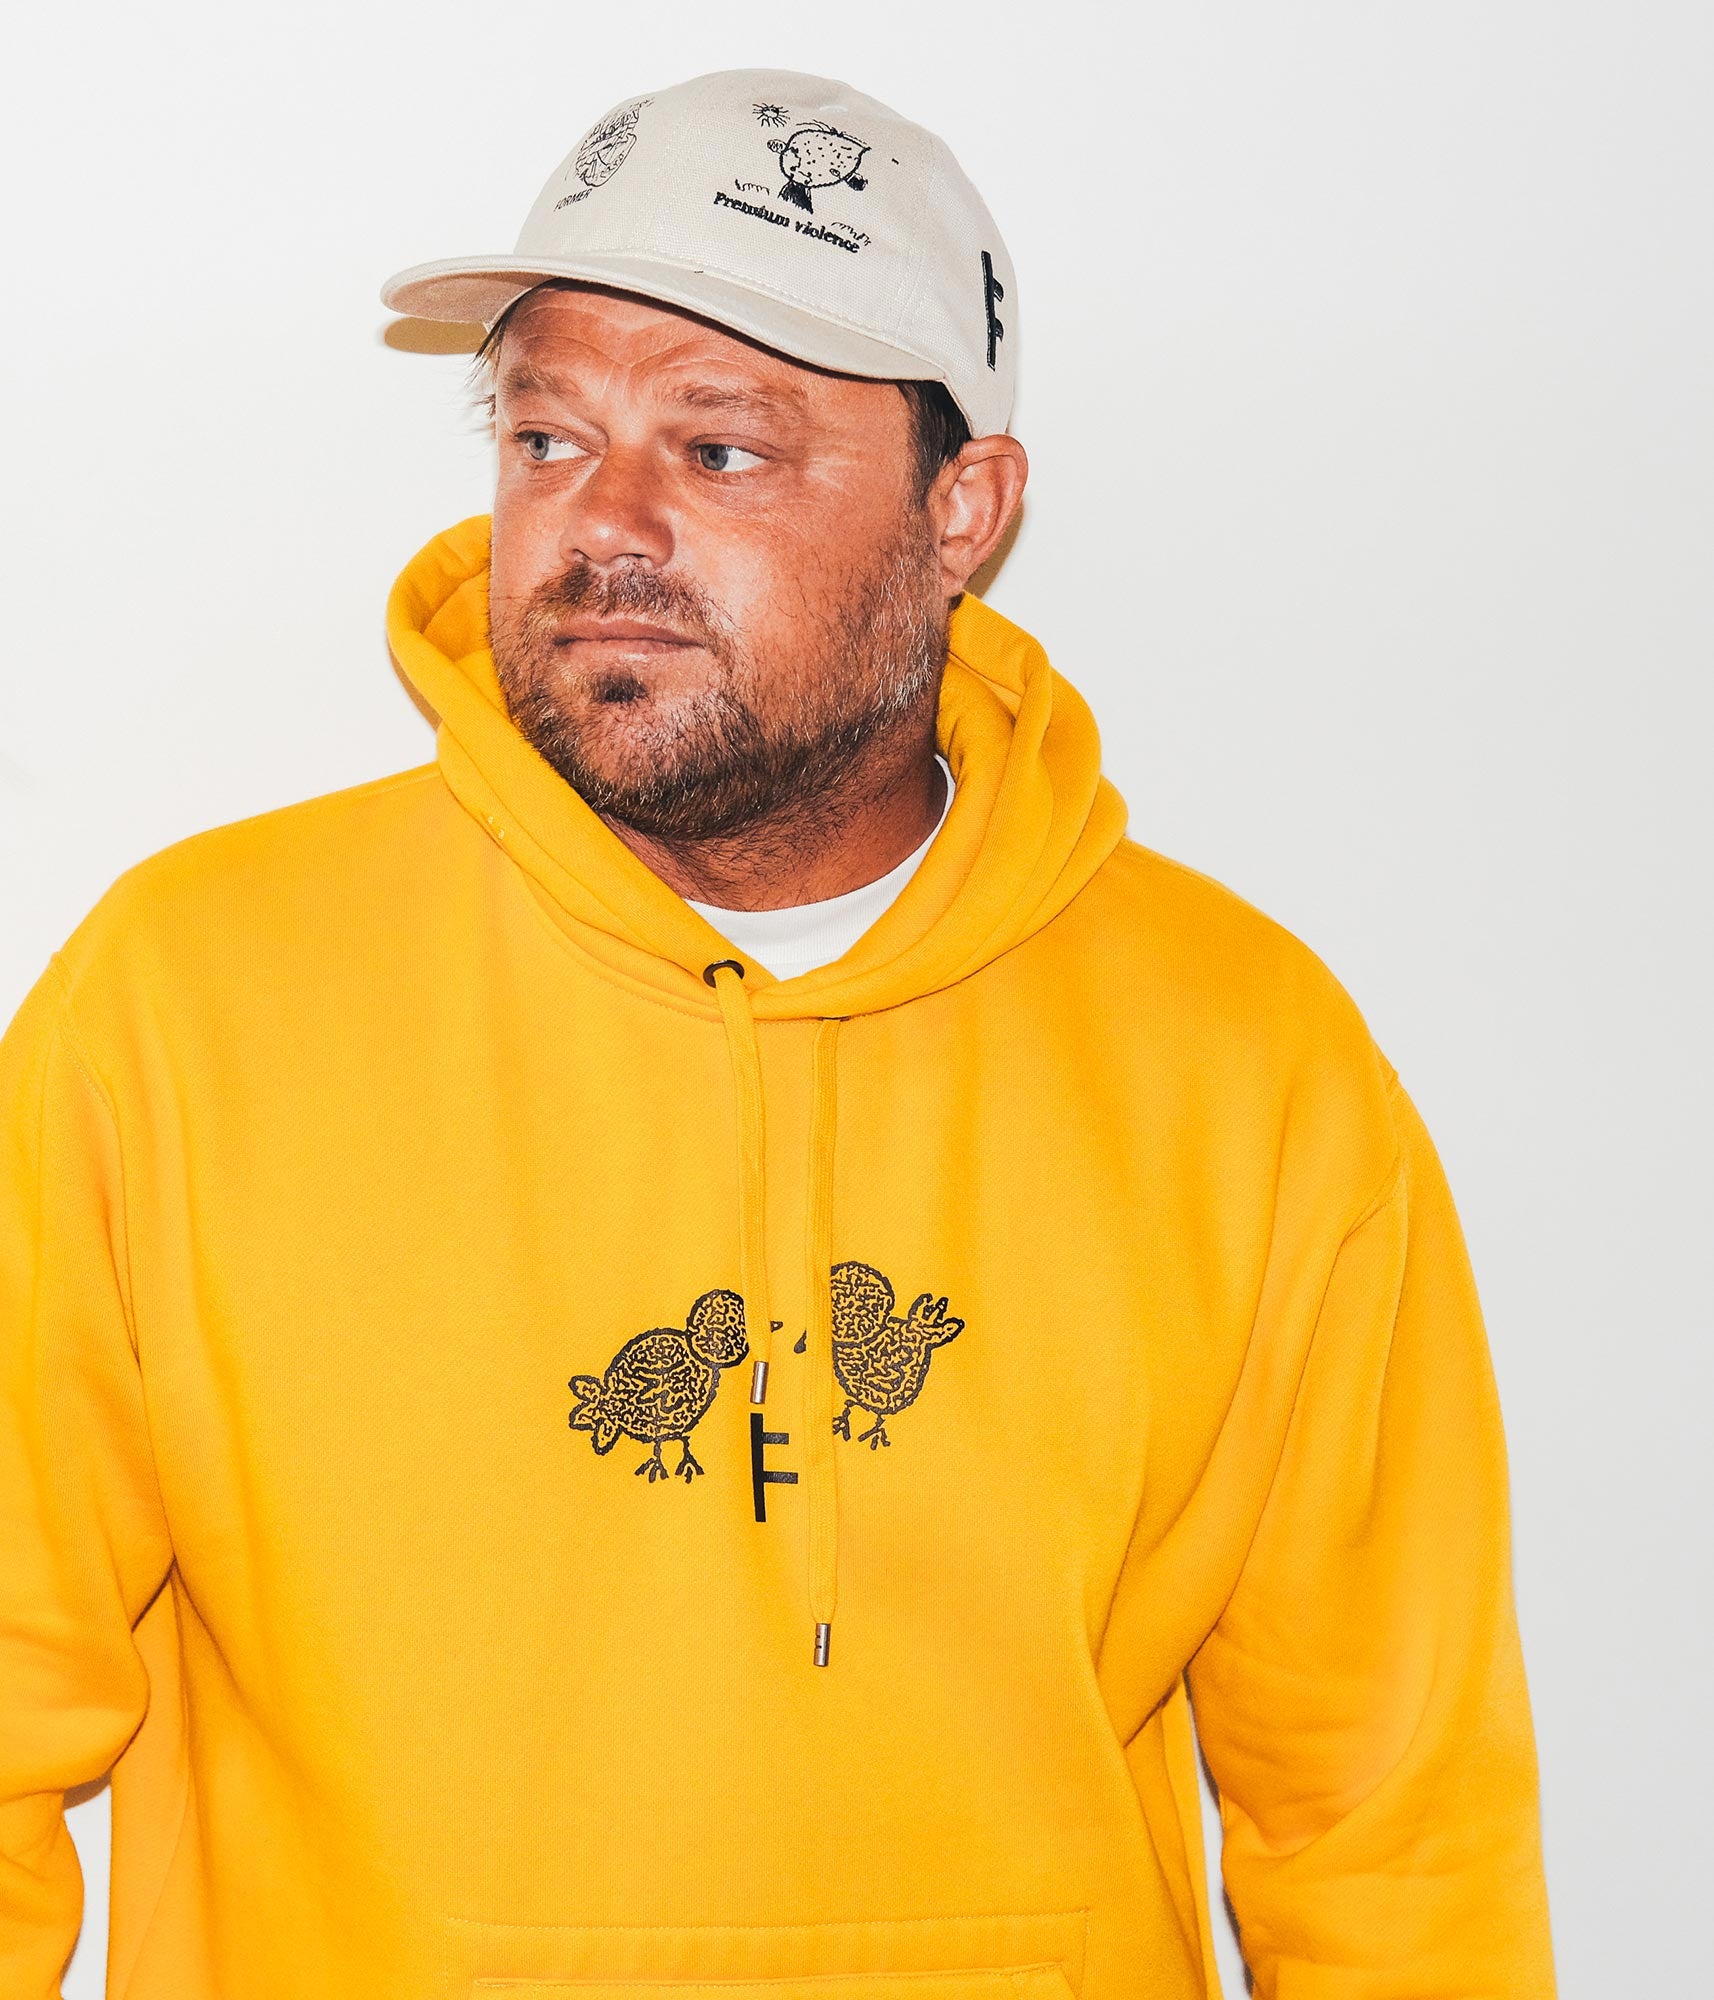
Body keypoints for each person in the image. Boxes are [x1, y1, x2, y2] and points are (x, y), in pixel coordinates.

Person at [0, 64, 1555, 2000]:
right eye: (545, 435)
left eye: (720, 447)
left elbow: (1386, 1815)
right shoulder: (189, 1001)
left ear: (959, 512)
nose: (601, 524)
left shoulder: (1237, 1058)